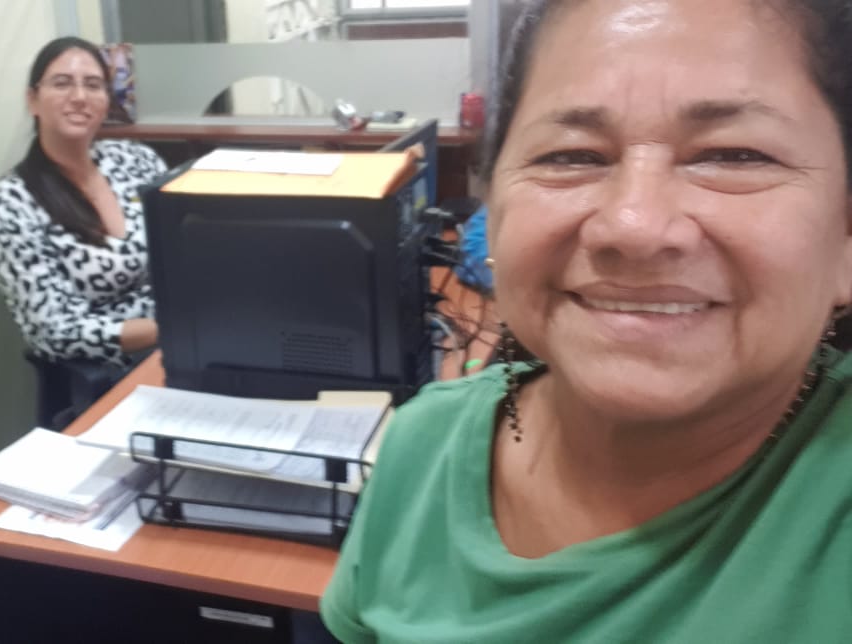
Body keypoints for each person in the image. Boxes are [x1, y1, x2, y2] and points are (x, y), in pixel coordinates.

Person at [322, 0, 852, 641]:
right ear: (494, 214)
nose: (633, 226)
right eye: (571, 156)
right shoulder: (422, 445)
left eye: (735, 155)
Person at [0, 36, 168, 368]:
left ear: (106, 101)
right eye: (62, 83)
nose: (79, 97)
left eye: (93, 85)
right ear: (33, 101)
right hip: (111, 367)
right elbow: (54, 331)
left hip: (181, 343)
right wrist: (169, 329)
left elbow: (182, 252)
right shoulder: (11, 205)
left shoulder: (137, 161)